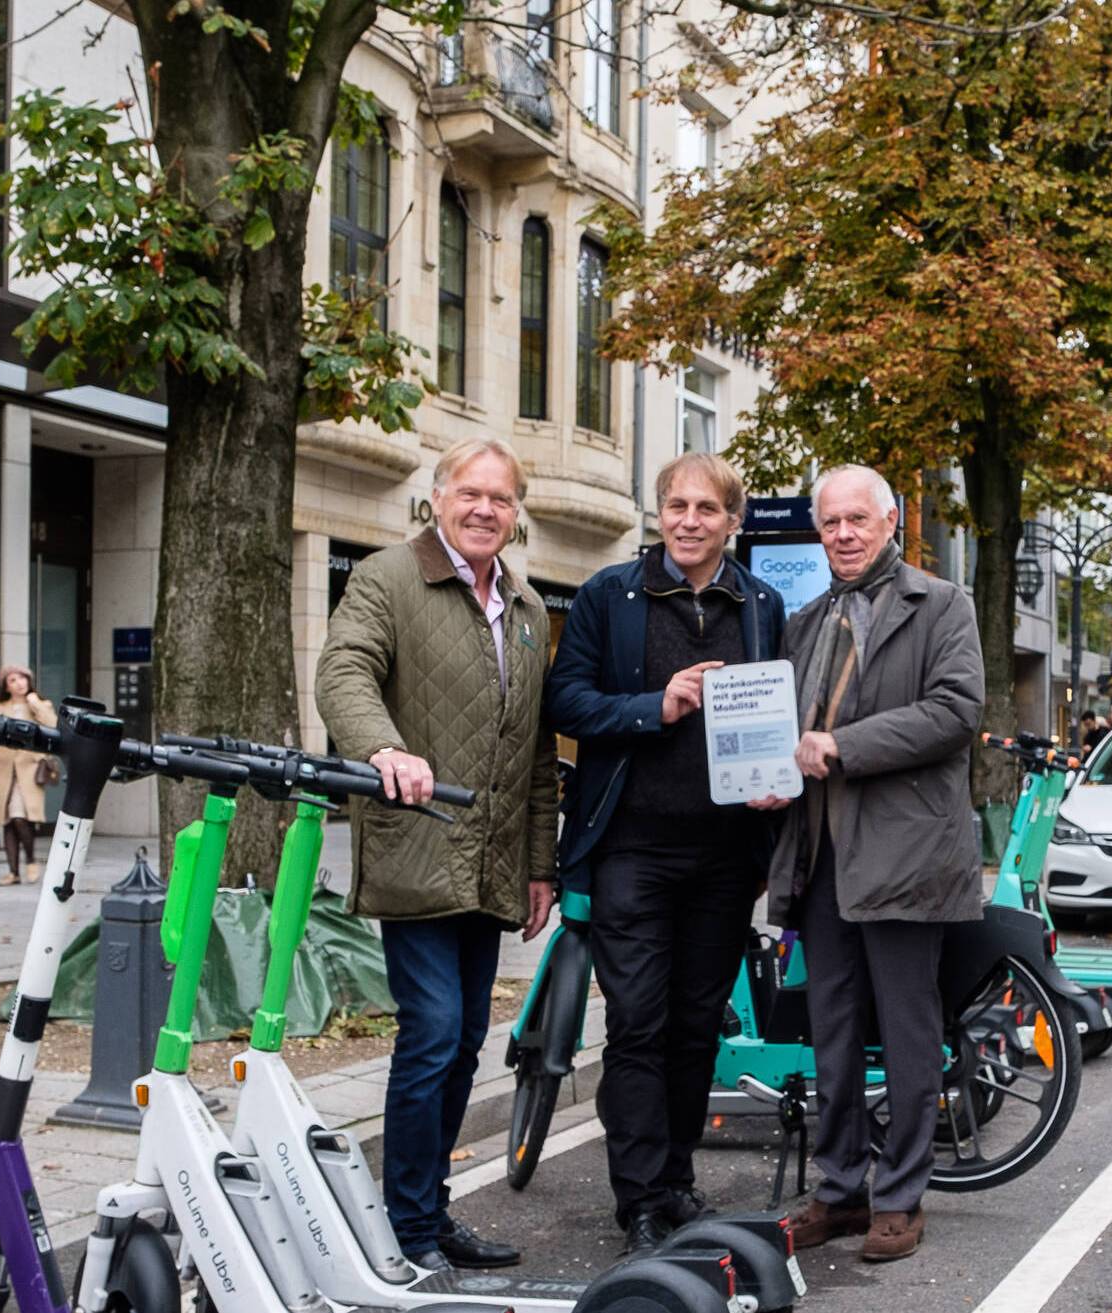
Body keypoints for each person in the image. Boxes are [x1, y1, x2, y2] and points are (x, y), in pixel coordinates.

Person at [315, 437, 557, 1275]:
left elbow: (532, 758)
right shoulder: (387, 577)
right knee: (435, 1033)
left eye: (501, 497)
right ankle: (407, 1230)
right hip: (418, 848)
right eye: (471, 493)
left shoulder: (526, 612)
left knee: (463, 1045)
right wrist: (383, 747)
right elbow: (343, 670)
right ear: (438, 497)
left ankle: (428, 1209)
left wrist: (540, 864)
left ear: (516, 510)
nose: (486, 508)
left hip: (491, 863)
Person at [544, 452, 786, 1253]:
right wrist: (660, 703)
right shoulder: (607, 596)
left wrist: (776, 783)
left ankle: (677, 1181)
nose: (689, 520)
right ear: (658, 514)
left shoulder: (763, 603)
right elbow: (567, 699)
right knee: (639, 1025)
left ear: (732, 520)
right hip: (632, 849)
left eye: (706, 508)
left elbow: (779, 710)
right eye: (676, 505)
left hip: (724, 855)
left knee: (694, 1027)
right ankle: (640, 1199)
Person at [756, 464, 985, 1264]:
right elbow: (788, 730)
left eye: (859, 519)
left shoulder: (942, 604)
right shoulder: (804, 619)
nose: (844, 534)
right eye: (830, 522)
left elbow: (957, 712)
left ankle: (901, 1196)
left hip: (906, 858)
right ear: (816, 530)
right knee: (835, 1035)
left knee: (910, 1033)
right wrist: (767, 778)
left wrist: (843, 747)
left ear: (892, 521)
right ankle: (841, 1186)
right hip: (818, 859)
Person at [0, 666, 59, 885]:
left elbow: (53, 725)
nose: (19, 682)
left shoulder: (41, 704)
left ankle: (31, 860)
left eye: (22, 678)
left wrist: (33, 701)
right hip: (1, 771)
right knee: (8, 822)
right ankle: (13, 872)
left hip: (29, 772)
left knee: (21, 817)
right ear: (6, 686)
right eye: (13, 679)